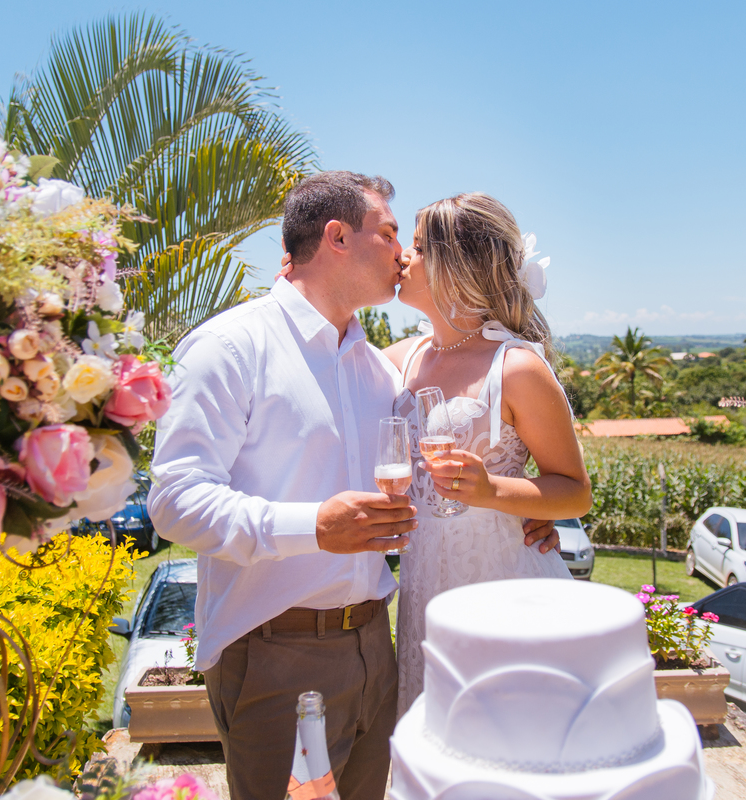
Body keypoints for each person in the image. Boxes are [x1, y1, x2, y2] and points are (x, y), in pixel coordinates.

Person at [148, 173, 558, 800]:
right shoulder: (231, 347)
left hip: (380, 645)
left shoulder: (380, 370)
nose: (403, 253)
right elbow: (175, 501)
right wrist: (314, 527)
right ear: (337, 238)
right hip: (275, 651)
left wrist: (513, 504)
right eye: (390, 234)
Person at [382, 192, 593, 716]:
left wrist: (494, 489)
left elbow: (574, 492)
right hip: (423, 593)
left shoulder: (516, 368)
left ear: (457, 265)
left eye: (417, 247)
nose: (403, 256)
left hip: (505, 589)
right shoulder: (401, 359)